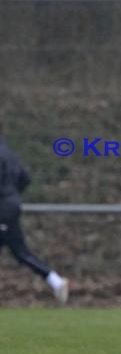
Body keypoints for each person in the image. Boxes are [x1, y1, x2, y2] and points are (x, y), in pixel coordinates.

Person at [0, 130, 69, 304]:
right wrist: (14, 196)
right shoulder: (10, 153)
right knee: (20, 252)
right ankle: (55, 281)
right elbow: (26, 178)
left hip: (3, 209)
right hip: (9, 206)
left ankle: (56, 281)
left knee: (20, 252)